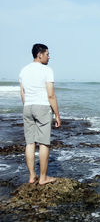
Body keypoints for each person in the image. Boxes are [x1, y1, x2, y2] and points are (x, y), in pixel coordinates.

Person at [19, 43, 61, 185]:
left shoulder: (23, 71)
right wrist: (57, 115)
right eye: (47, 54)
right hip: (42, 107)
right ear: (40, 54)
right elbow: (51, 95)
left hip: (28, 107)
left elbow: (22, 93)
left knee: (30, 143)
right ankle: (43, 178)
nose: (49, 57)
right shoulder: (47, 70)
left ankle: (32, 176)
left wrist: (28, 106)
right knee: (44, 143)